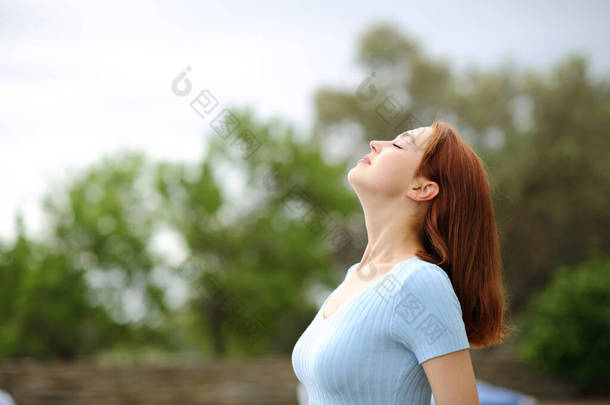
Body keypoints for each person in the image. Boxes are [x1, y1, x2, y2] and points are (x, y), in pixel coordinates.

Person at [291, 121, 511, 405]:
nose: (374, 143)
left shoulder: (420, 282)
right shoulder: (355, 277)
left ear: (422, 188)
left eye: (397, 145)